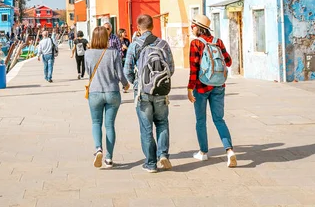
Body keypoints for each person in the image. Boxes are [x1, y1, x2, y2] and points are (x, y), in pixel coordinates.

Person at [124, 15, 175, 173]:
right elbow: (171, 68)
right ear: (153, 26)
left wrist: (137, 83)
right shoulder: (163, 44)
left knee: (146, 128)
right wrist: (159, 82)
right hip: (160, 92)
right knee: (162, 123)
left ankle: (151, 163)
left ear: (138, 28)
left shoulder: (135, 45)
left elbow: (127, 70)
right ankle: (163, 154)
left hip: (142, 93)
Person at [187, 14, 236, 168]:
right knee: (219, 119)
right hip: (219, 86)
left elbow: (194, 68)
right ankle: (229, 151)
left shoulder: (196, 43)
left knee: (201, 120)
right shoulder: (218, 42)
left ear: (197, 27)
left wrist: (189, 88)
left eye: (192, 26)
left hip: (201, 87)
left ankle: (203, 152)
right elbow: (228, 62)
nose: (191, 28)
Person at [86, 26, 130, 168]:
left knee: (96, 123)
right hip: (112, 92)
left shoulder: (88, 53)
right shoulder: (114, 53)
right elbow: (119, 73)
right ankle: (109, 158)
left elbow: (88, 72)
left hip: (95, 92)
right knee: (110, 125)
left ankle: (98, 148)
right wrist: (125, 84)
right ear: (106, 38)